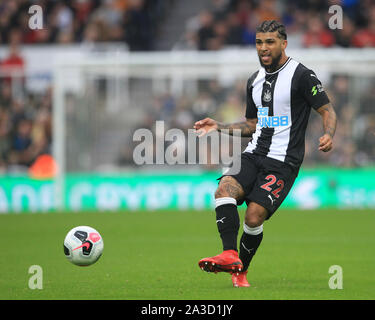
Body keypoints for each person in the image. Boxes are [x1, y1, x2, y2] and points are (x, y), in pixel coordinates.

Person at [194, 20, 337, 288]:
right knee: (224, 190)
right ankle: (229, 254)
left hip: (283, 161)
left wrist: (329, 133)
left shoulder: (302, 75)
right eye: (259, 42)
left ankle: (241, 271)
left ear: (284, 43)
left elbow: (327, 110)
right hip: (254, 153)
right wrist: (219, 126)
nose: (263, 48)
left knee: (254, 215)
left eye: (269, 42)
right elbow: (251, 125)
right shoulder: (254, 80)